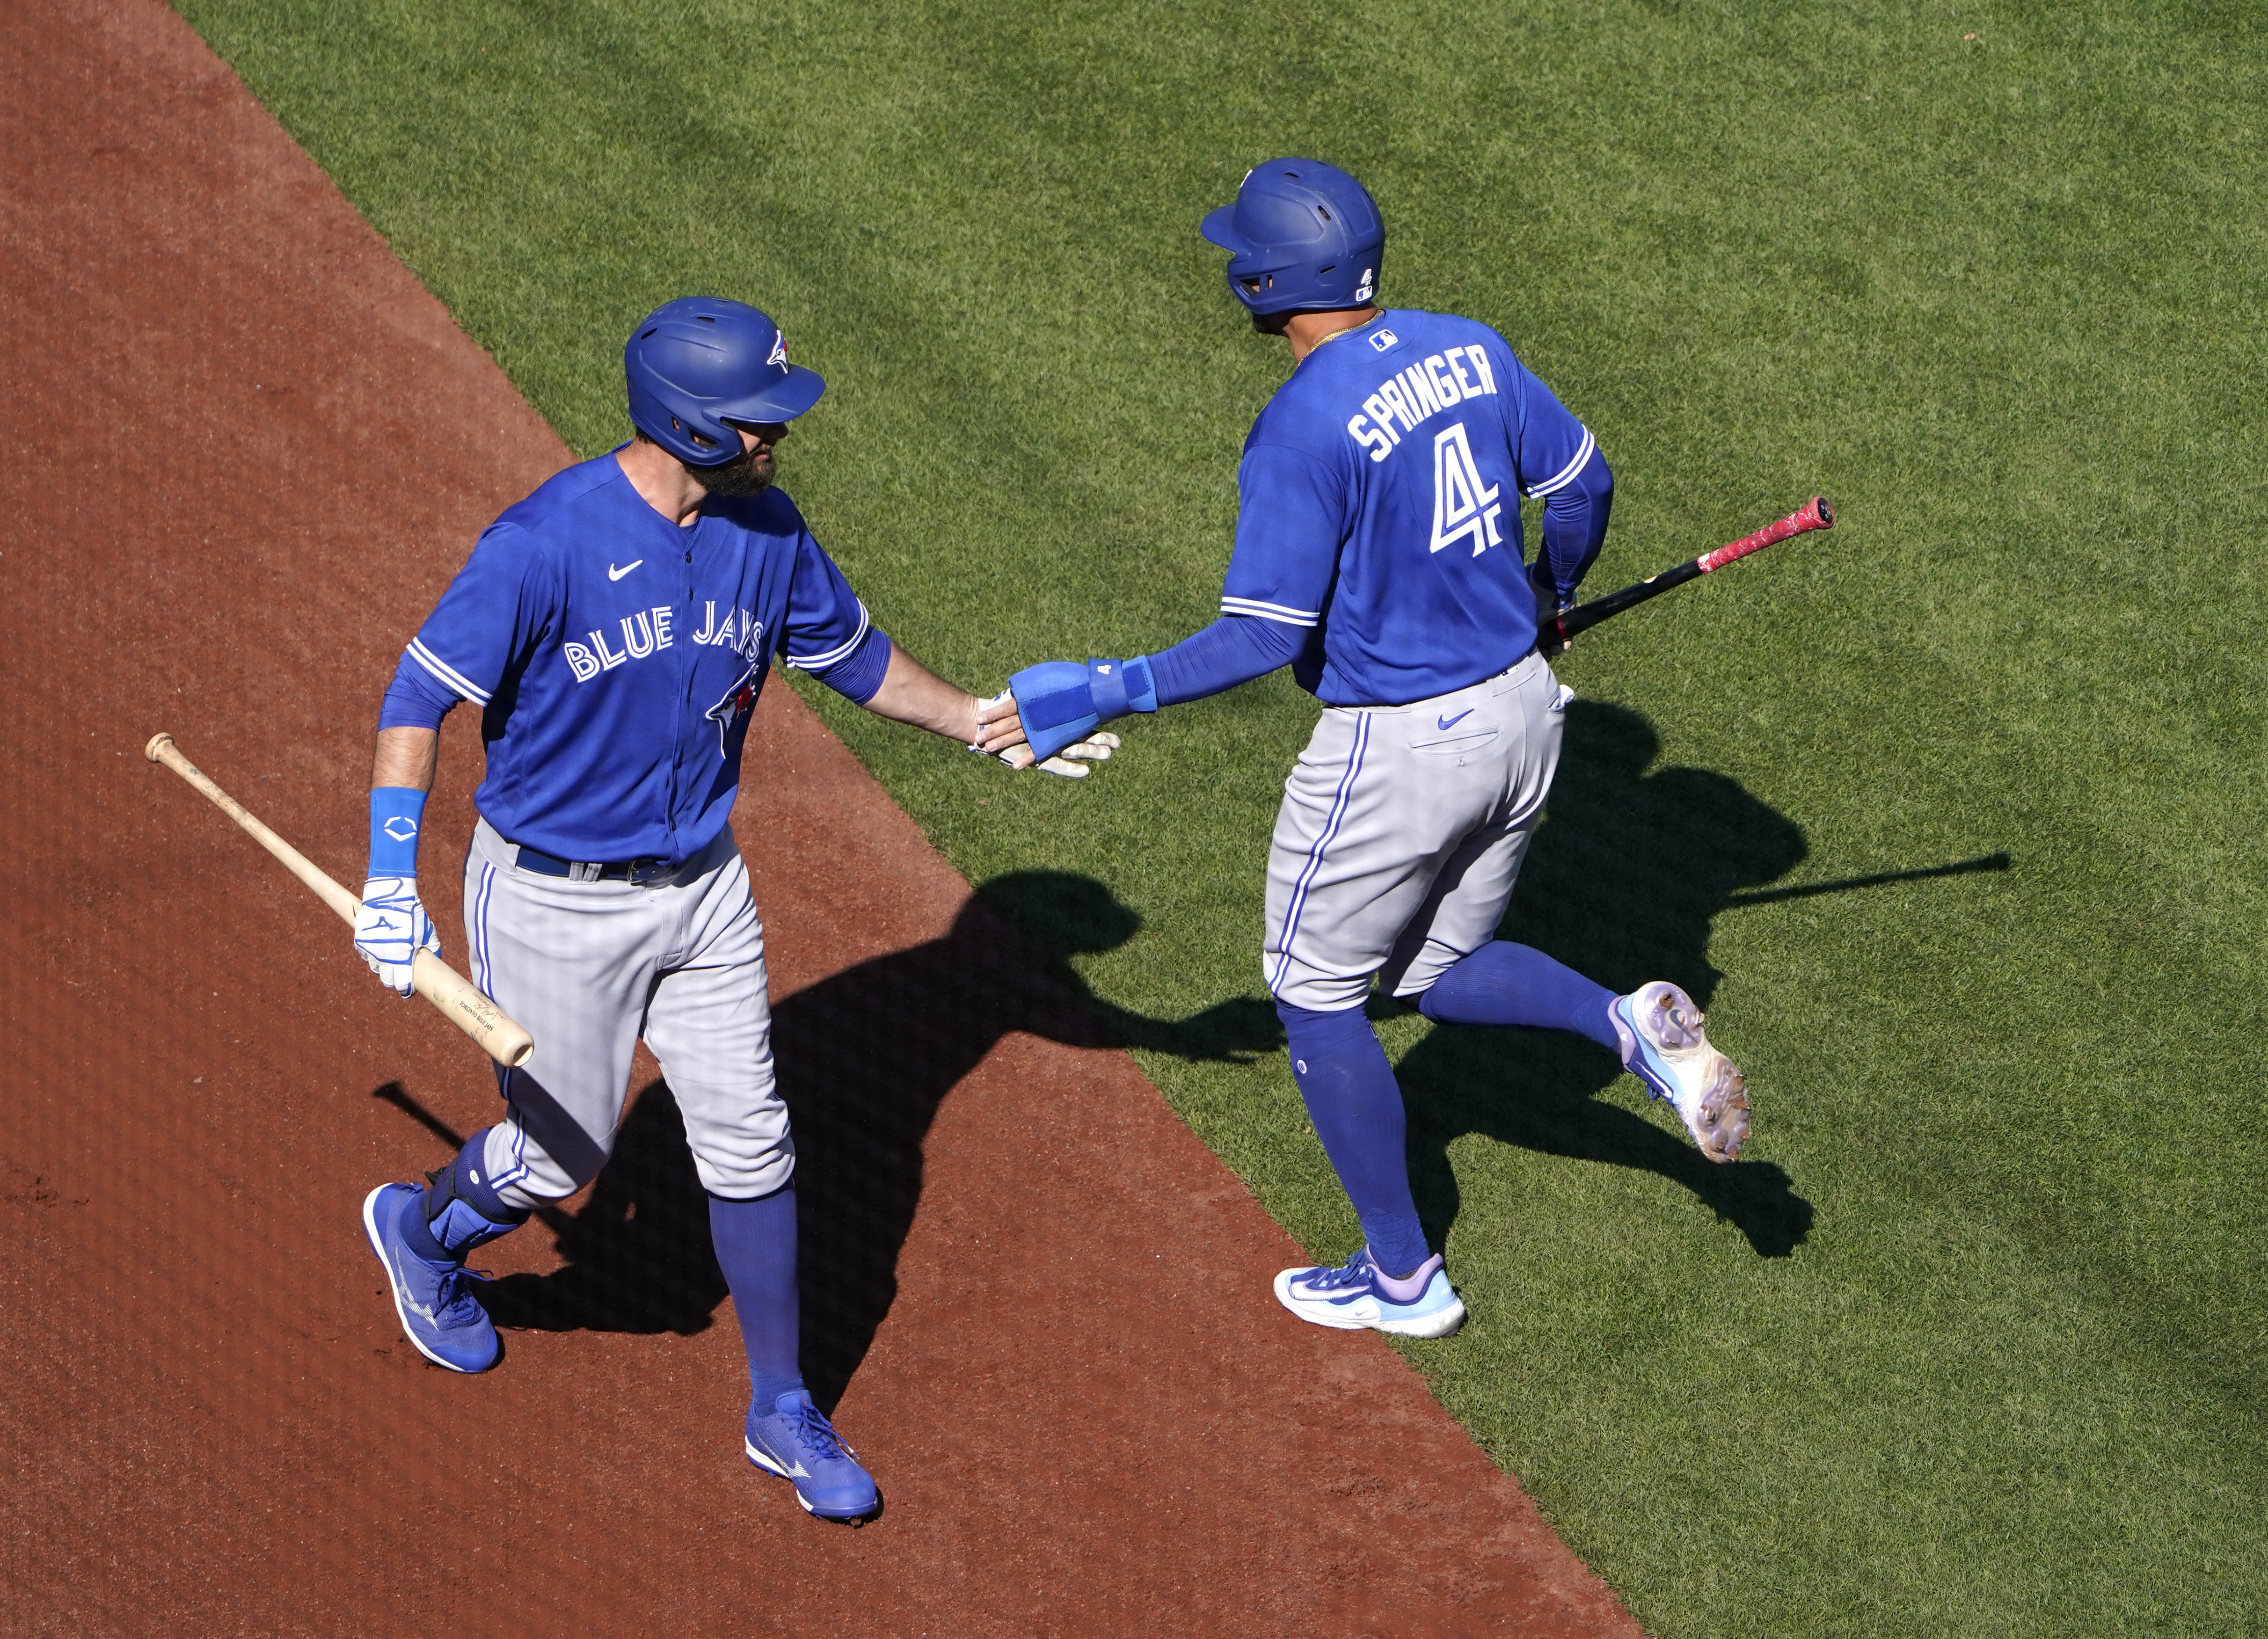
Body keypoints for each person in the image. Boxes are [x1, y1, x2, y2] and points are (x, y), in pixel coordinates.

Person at [354, 296, 1113, 1522]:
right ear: (692, 423)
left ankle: (782, 1410)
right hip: (555, 900)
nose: (782, 436)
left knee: (754, 1141)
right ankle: (425, 1231)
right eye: (763, 420)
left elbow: (860, 662)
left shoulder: (769, 530)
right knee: (560, 1158)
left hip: (702, 891)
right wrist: (392, 884)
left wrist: (983, 721)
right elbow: (415, 696)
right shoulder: (544, 543)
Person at [979, 159, 1750, 1341]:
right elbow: (1584, 480)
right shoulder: (1471, 346)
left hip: (1401, 748)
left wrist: (1108, 688)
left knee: (1315, 996)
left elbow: (1262, 636)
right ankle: (1628, 1024)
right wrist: (1551, 591)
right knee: (1433, 974)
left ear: (1261, 283)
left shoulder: (1300, 427)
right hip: (1532, 715)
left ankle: (1404, 1280)